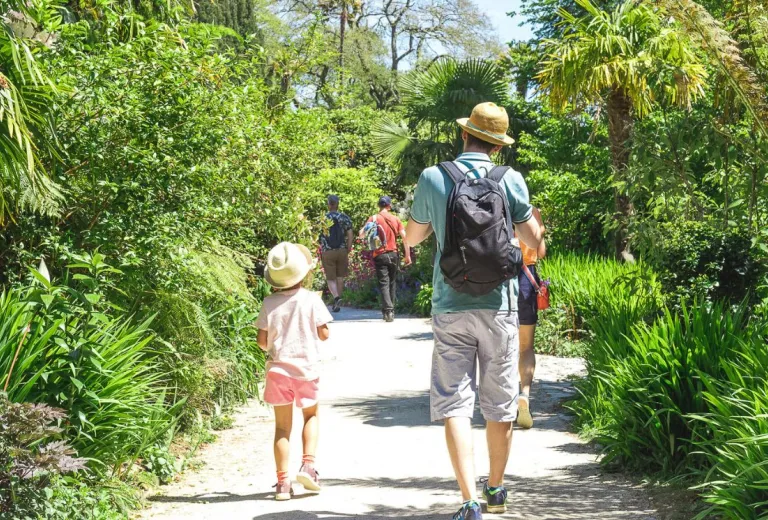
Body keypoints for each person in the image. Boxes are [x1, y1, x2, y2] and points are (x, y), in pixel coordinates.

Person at [405, 102, 542, 520]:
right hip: (499, 306)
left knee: (454, 402)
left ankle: (468, 501)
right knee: (500, 404)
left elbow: (413, 235)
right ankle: (496, 490)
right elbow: (533, 239)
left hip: (450, 305)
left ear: (464, 134)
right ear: (498, 146)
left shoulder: (434, 176)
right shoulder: (510, 179)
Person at [256, 242, 333, 501]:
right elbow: (324, 333)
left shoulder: (268, 302)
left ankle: (281, 484)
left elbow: (261, 341)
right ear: (303, 274)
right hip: (306, 370)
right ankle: (308, 466)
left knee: (281, 428)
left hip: (278, 371)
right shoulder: (311, 299)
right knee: (310, 415)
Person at [516, 207, 547, 430]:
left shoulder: (495, 207)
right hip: (527, 279)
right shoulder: (532, 213)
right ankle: (524, 393)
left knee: (500, 345)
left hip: (498, 281)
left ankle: (502, 400)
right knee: (526, 347)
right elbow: (541, 252)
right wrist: (541, 229)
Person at [359, 196, 412, 322]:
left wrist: (368, 229)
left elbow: (361, 234)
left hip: (379, 254)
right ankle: (391, 311)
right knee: (392, 282)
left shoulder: (374, 218)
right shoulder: (395, 219)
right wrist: (407, 254)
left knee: (384, 283)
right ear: (389, 206)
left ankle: (387, 311)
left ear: (379, 205)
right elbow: (405, 237)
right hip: (393, 254)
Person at [319, 194, 353, 312]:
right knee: (340, 277)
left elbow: (318, 237)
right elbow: (350, 234)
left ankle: (336, 297)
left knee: (330, 278)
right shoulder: (344, 217)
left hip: (328, 251)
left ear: (329, 204)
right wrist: (348, 248)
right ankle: (338, 301)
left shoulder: (322, 219)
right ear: (337, 204)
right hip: (342, 250)